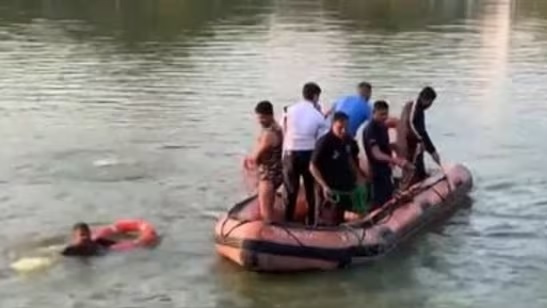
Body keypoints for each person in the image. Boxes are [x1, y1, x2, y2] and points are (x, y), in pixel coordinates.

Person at [283, 82, 328, 225]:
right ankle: (311, 221)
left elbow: (284, 129)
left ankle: (287, 220)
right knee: (310, 190)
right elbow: (321, 139)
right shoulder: (318, 116)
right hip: (309, 154)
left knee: (290, 190)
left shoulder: (289, 110)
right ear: (315, 96)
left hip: (290, 153)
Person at [309, 112, 362, 225]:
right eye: (340, 128)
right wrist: (324, 186)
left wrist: (357, 176)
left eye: (346, 127)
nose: (343, 130)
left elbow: (349, 158)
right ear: (333, 124)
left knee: (347, 212)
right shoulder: (324, 142)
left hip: (345, 185)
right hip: (329, 188)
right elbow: (312, 166)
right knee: (328, 218)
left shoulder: (347, 139)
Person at [363, 101, 410, 210]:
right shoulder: (371, 129)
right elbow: (376, 153)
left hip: (386, 168)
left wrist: (394, 147)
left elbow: (383, 145)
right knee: (380, 199)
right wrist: (394, 160)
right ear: (374, 113)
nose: (384, 117)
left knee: (389, 195)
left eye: (386, 114)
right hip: (377, 171)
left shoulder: (383, 127)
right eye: (381, 114)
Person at [244, 101, 284, 222]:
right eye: (258, 117)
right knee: (268, 206)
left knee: (266, 213)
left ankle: (267, 228)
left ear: (269, 115)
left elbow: (256, 157)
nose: (259, 120)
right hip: (277, 172)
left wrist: (249, 160)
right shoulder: (277, 128)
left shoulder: (269, 134)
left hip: (268, 176)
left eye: (262, 117)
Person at [396, 87, 441, 189]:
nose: (430, 106)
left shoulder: (416, 107)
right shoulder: (415, 109)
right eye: (431, 102)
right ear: (427, 100)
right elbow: (414, 128)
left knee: (419, 169)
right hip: (411, 145)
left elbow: (421, 131)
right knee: (411, 169)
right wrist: (431, 150)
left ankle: (420, 182)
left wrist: (430, 149)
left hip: (415, 144)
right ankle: (406, 190)